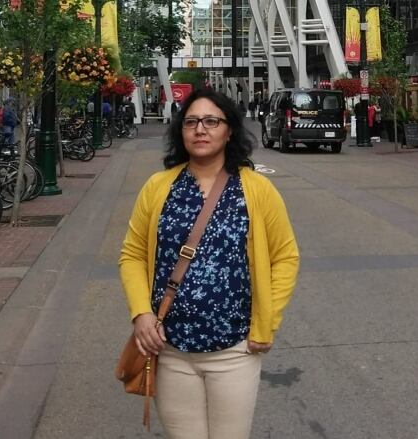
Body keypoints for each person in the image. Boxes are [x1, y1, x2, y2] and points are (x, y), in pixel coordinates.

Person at [119, 88, 300, 439]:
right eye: (191, 122)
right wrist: (141, 313)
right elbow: (133, 254)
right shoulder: (158, 187)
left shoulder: (257, 190)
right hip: (170, 350)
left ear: (229, 130)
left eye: (211, 121)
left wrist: (266, 321)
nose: (200, 129)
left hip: (234, 351)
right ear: (180, 131)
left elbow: (285, 257)